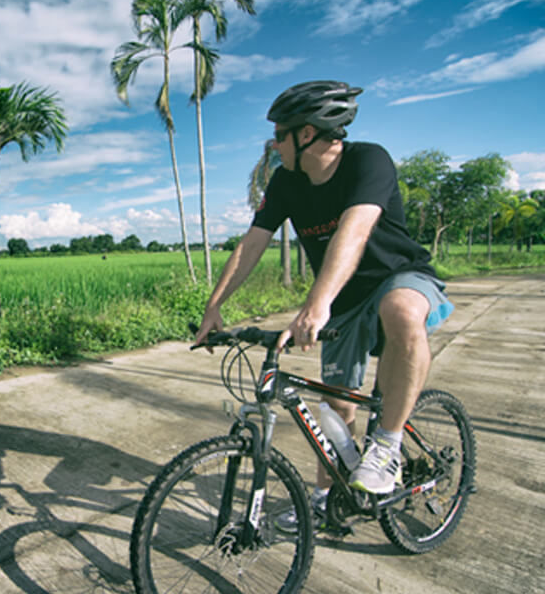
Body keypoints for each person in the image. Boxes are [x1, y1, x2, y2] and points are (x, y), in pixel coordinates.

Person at [194, 80, 454, 523]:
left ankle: (387, 447)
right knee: (338, 409)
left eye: (280, 135)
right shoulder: (286, 182)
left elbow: (353, 233)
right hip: (346, 301)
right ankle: (323, 501)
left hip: (399, 276)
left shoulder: (368, 160)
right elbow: (253, 243)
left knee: (400, 310)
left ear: (308, 133)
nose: (273, 145)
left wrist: (316, 305)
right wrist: (214, 305)